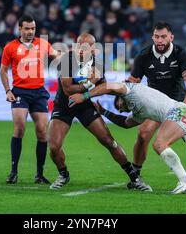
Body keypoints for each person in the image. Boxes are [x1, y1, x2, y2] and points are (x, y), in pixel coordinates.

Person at [48, 33, 151, 191]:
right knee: (54, 146)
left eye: (85, 47)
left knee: (109, 141)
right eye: (78, 45)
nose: (80, 50)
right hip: (64, 106)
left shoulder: (98, 64)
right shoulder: (67, 60)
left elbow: (102, 87)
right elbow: (68, 89)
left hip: (85, 106)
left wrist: (122, 90)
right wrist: (90, 82)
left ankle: (135, 178)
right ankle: (63, 174)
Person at [127, 22, 186, 191]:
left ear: (171, 37)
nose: (160, 40)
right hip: (155, 104)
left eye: (163, 36)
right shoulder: (144, 56)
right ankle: (136, 175)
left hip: (178, 104)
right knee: (143, 134)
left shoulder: (181, 54)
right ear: (152, 38)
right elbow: (133, 82)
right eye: (157, 37)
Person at [0, 15, 60, 185]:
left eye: (33, 28)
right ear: (20, 29)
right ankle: (13, 172)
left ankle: (39, 174)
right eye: (27, 28)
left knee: (42, 131)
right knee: (19, 128)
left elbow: (58, 56)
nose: (30, 31)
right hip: (20, 92)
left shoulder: (42, 44)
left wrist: (73, 55)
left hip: (39, 92)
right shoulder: (10, 47)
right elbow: (3, 71)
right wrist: (7, 90)